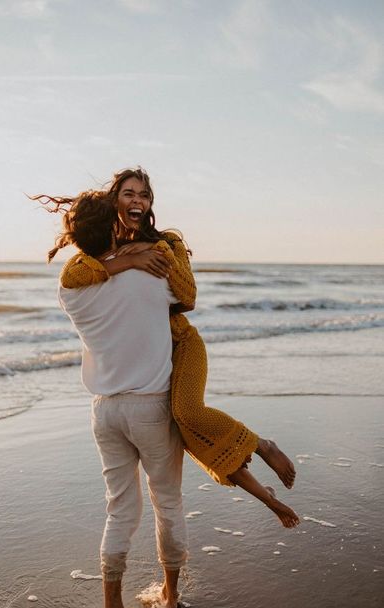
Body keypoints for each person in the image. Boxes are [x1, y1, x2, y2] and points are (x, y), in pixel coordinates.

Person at [34, 168, 300, 531]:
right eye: (129, 193)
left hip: (183, 346)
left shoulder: (167, 243)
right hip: (150, 360)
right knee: (193, 440)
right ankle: (267, 499)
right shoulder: (102, 255)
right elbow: (73, 276)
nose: (137, 201)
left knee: (189, 414)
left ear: (150, 204)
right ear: (116, 202)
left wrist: (151, 250)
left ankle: (263, 444)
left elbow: (188, 298)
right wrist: (124, 260)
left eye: (143, 195)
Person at [46, 190, 189, 608]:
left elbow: (93, 271)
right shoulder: (152, 275)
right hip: (150, 404)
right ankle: (169, 598)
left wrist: (122, 257)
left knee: (119, 511)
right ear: (114, 224)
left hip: (104, 411)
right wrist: (151, 249)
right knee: (167, 502)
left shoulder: (71, 288)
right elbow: (186, 295)